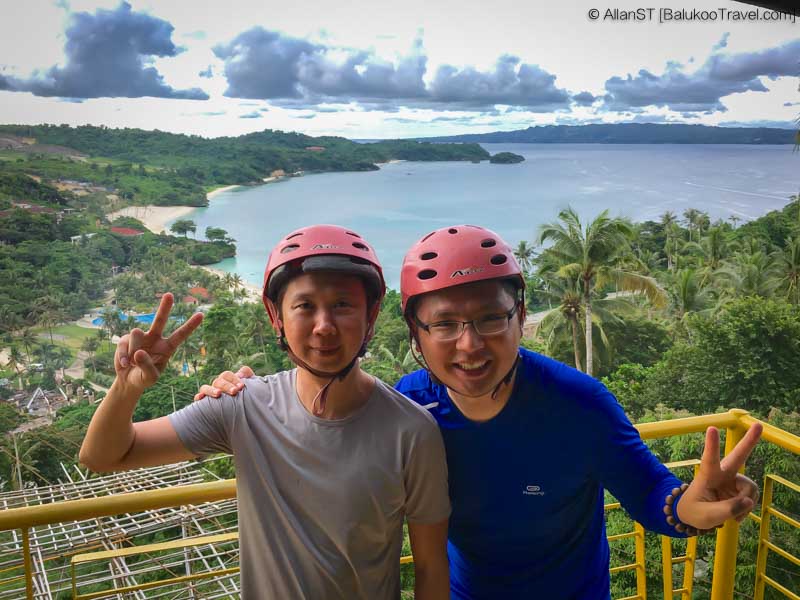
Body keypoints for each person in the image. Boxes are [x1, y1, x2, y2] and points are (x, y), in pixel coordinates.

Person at [200, 224, 762, 599]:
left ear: (520, 316)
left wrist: (691, 504)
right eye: (444, 324)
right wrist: (244, 390)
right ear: (416, 334)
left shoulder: (577, 404)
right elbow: (328, 439)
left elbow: (653, 497)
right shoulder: (408, 409)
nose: (469, 345)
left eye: (491, 319)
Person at [79, 224, 451, 600]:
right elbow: (103, 455)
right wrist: (127, 388)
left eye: (342, 305)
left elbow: (430, 565)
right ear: (277, 317)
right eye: (305, 306)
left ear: (370, 317)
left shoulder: (411, 430)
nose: (324, 327)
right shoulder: (241, 407)